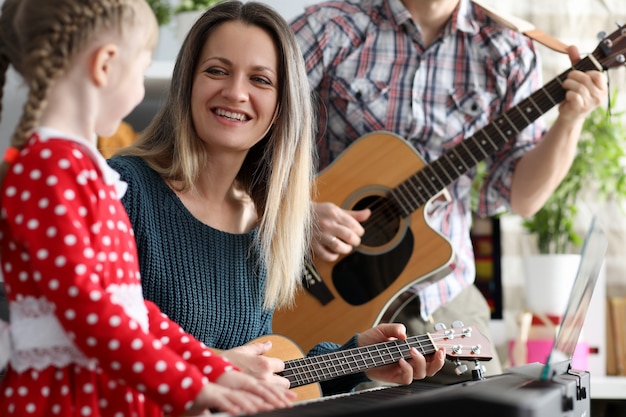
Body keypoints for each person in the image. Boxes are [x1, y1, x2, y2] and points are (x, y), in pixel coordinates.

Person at [107, 0, 446, 397]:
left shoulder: (264, 221)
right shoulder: (122, 189)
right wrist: (213, 365)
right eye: (217, 71)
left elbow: (258, 373)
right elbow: (94, 336)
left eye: (260, 80)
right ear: (187, 83)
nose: (235, 93)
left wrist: (357, 359)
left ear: (282, 106)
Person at [0, 0, 296, 415]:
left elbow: (132, 310)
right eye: (140, 75)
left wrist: (214, 370)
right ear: (105, 65)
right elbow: (89, 311)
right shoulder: (48, 169)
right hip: (65, 399)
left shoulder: (83, 171)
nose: (142, 93)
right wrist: (191, 386)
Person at [290, 0, 607, 383]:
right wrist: (297, 215)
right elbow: (248, 141)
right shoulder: (330, 27)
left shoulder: (507, 51)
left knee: (497, 407)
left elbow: (524, 199)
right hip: (315, 282)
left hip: (443, 294)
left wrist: (571, 121)